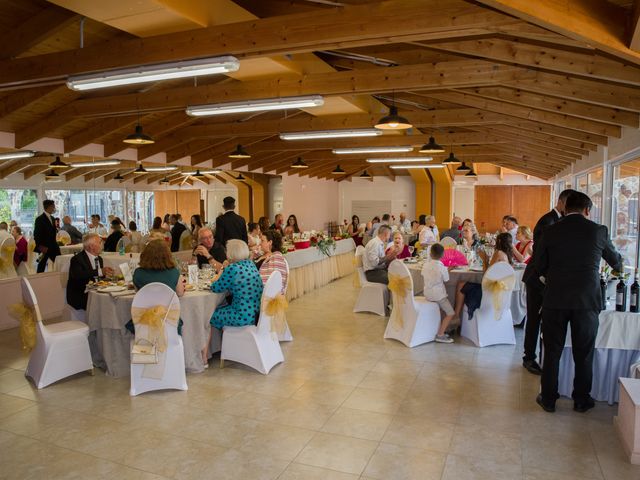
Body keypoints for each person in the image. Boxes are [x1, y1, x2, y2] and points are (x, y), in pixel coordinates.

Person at [533, 192, 622, 413]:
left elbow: (539, 265)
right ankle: (582, 399)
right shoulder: (598, 231)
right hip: (587, 300)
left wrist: (554, 274)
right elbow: (617, 262)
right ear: (587, 211)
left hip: (555, 298)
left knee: (552, 351)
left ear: (564, 209)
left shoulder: (551, 230)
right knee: (584, 352)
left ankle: (548, 398)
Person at [522, 189, 575, 376]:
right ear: (560, 202)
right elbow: (541, 253)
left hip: (551, 279)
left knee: (548, 321)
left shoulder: (562, 221)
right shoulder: (547, 221)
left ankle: (546, 357)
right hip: (537, 277)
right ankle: (529, 357)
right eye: (568, 203)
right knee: (534, 319)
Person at [453, 232, 514, 319]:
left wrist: (484, 258)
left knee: (461, 284)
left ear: (499, 241)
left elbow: (486, 275)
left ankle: (456, 316)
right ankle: (458, 316)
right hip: (501, 293)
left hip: (489, 293)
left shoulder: (498, 253)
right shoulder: (507, 255)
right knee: (464, 285)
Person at [208, 239, 263, 330]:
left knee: (209, 315)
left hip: (241, 316)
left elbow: (215, 287)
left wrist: (223, 268)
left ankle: (217, 343)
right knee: (223, 306)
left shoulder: (232, 268)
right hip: (256, 313)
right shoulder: (250, 264)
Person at [66, 233, 114, 311]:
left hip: (96, 292)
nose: (102, 244)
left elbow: (97, 278)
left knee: (112, 299)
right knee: (107, 304)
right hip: (81, 294)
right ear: (91, 246)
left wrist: (107, 277)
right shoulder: (77, 259)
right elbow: (78, 276)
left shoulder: (99, 259)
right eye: (100, 242)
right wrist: (100, 272)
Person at [421, 243, 455, 343]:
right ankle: (440, 334)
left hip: (427, 294)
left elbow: (424, 274)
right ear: (443, 255)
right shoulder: (442, 267)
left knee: (439, 309)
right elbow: (446, 279)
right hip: (438, 296)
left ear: (430, 254)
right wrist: (447, 269)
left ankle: (436, 329)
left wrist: (445, 269)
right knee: (450, 313)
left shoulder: (425, 265)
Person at [34, 199, 61, 273]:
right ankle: (38, 280)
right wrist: (40, 246)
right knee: (41, 265)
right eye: (53, 206)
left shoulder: (52, 218)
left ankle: (59, 276)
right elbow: (37, 234)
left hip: (53, 246)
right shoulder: (39, 219)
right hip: (44, 246)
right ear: (49, 207)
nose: (54, 208)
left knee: (59, 262)